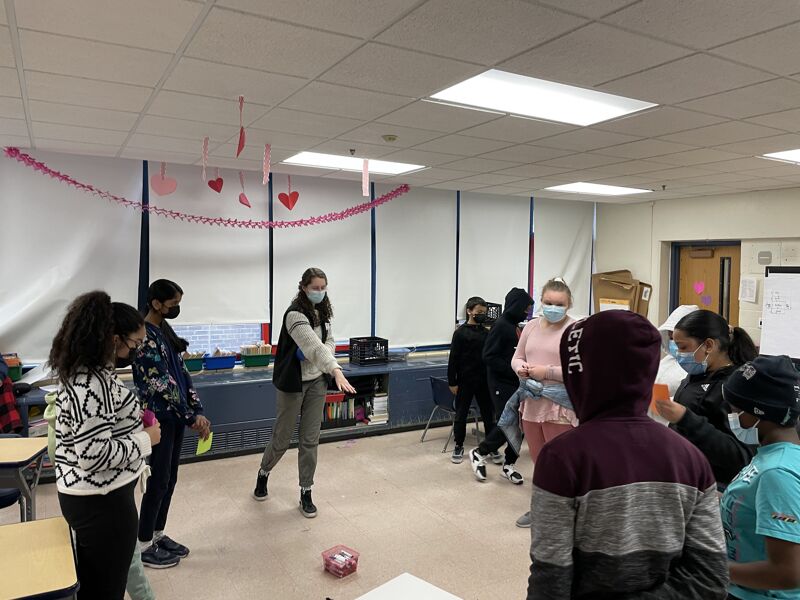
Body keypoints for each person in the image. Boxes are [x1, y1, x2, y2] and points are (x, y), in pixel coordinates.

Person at [527, 310, 729, 599]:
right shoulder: (689, 457)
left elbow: (551, 576)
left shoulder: (562, 457)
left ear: (579, 375)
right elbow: (710, 578)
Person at [51, 292, 161, 599]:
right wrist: (144, 439)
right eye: (135, 344)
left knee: (96, 583)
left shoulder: (88, 374)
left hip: (97, 499)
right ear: (114, 339)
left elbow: (97, 431)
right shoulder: (91, 384)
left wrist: (132, 421)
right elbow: (94, 455)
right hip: (102, 503)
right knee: (105, 590)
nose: (138, 350)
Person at [253, 267, 356, 517]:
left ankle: (306, 491)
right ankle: (263, 473)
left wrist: (326, 359)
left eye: (323, 288)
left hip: (316, 382)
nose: (319, 292)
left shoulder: (323, 312)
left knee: (310, 440)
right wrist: (336, 371)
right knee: (282, 438)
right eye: (315, 288)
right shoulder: (294, 315)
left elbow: (328, 342)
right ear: (303, 288)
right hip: (294, 383)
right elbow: (312, 346)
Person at [133, 279, 210, 569]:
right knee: (158, 480)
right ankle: (143, 545)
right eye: (173, 304)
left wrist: (196, 407)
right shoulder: (143, 337)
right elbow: (161, 382)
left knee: (170, 478)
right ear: (156, 303)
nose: (176, 308)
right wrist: (190, 416)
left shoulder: (164, 331)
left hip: (176, 416)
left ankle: (157, 533)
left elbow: (182, 373)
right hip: (159, 419)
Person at [720, 356, 800, 600]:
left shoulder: (777, 472)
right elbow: (755, 502)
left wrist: (714, 569)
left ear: (758, 412)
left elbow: (787, 572)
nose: (731, 417)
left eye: (735, 410)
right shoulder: (771, 456)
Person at [655, 309, 758, 487]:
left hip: (713, 487)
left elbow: (740, 456)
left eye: (683, 347)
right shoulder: (696, 375)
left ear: (709, 345)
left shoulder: (735, 388)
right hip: (682, 477)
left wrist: (685, 418)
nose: (679, 354)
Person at [511, 278, 577, 529]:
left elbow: (579, 370)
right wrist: (521, 369)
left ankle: (565, 512)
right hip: (531, 399)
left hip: (559, 403)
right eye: (548, 302)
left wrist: (546, 371)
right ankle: (540, 507)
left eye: (558, 304)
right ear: (541, 302)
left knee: (560, 462)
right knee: (539, 460)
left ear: (569, 303)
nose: (553, 307)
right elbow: (517, 357)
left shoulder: (576, 330)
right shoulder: (531, 327)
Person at [469, 287, 534, 484]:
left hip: (516, 383)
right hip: (501, 383)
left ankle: (509, 465)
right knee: (508, 423)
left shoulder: (517, 327)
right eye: (525, 308)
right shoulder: (501, 326)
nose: (527, 313)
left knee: (519, 425)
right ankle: (479, 452)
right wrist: (514, 369)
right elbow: (489, 356)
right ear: (516, 306)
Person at [447, 297, 494, 464]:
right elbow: (453, 360)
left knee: (489, 414)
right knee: (461, 414)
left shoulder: (487, 333)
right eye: (478, 312)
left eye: (484, 312)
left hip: (483, 381)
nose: (481, 315)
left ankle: (491, 446)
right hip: (465, 380)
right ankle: (459, 445)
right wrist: (452, 382)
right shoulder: (460, 333)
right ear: (469, 311)